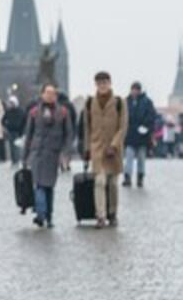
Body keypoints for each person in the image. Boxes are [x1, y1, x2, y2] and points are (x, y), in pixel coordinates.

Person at [23, 84, 73, 228]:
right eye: (47, 93)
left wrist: (66, 153)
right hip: (37, 153)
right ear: (42, 94)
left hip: (53, 154)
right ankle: (40, 214)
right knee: (39, 185)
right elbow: (29, 135)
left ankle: (49, 216)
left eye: (53, 93)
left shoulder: (63, 112)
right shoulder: (34, 112)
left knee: (49, 187)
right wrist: (25, 157)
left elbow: (68, 134)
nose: (50, 96)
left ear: (56, 96)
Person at [82, 72, 128, 228]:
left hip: (113, 150)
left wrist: (114, 145)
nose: (102, 85)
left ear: (110, 83)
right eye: (99, 82)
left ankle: (112, 213)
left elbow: (122, 127)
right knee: (99, 181)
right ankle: (100, 215)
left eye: (105, 82)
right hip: (97, 148)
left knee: (113, 184)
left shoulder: (119, 102)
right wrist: (87, 148)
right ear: (96, 84)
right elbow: (87, 128)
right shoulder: (89, 102)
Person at [124, 82, 157, 187]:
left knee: (141, 159)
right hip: (130, 134)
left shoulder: (147, 102)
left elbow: (151, 117)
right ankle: (127, 177)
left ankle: (140, 178)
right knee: (128, 157)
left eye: (136, 89)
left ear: (139, 90)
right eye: (133, 89)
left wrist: (146, 127)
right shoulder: (126, 101)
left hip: (143, 135)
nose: (134, 91)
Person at [2, 97, 26, 166]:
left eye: (12, 103)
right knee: (11, 147)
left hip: (18, 131)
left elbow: (25, 119)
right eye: (10, 103)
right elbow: (3, 120)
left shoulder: (21, 111)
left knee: (16, 147)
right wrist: (6, 126)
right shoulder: (8, 111)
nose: (11, 104)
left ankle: (17, 160)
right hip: (10, 131)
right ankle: (13, 160)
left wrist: (23, 129)